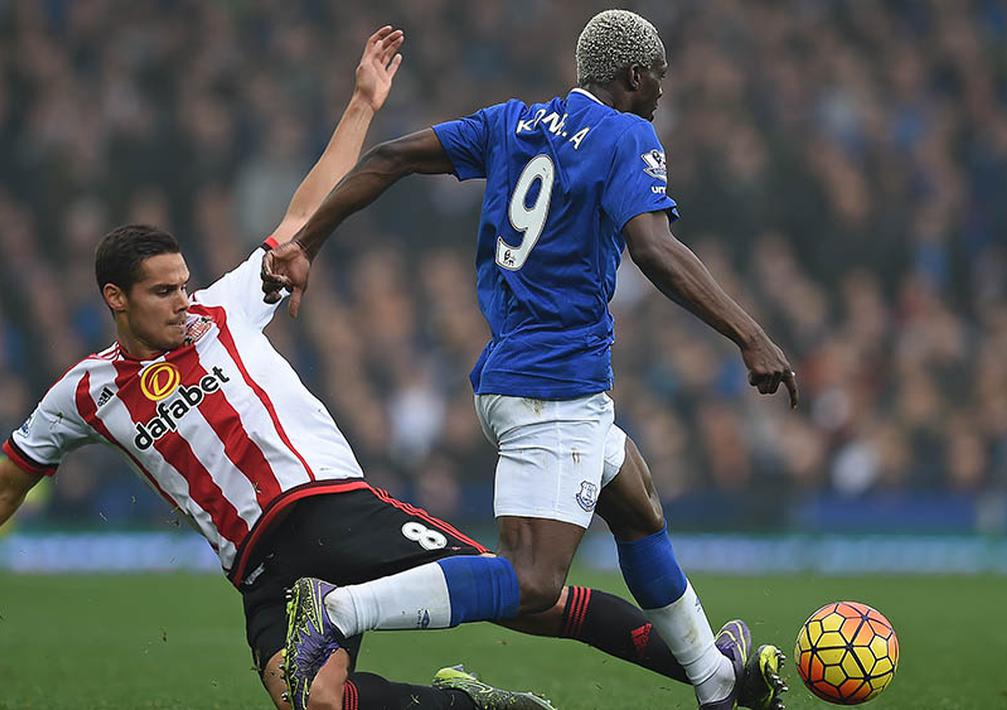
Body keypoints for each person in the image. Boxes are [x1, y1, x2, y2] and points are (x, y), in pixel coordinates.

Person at [0, 26, 697, 710]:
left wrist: (360, 105)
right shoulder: (86, 392)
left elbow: (304, 208)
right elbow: (4, 482)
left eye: (182, 284)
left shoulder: (227, 307)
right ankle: (470, 704)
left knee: (530, 596)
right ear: (116, 299)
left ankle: (711, 667)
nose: (182, 300)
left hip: (337, 506)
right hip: (262, 566)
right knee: (317, 702)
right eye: (162, 292)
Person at [261, 10, 794, 710]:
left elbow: (387, 158)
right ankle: (337, 613)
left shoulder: (511, 122)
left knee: (635, 504)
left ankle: (714, 679)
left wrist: (309, 242)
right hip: (554, 386)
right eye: (657, 79)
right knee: (534, 580)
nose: (661, 93)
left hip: (522, 375)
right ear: (633, 76)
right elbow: (653, 248)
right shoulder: (627, 134)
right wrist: (748, 333)